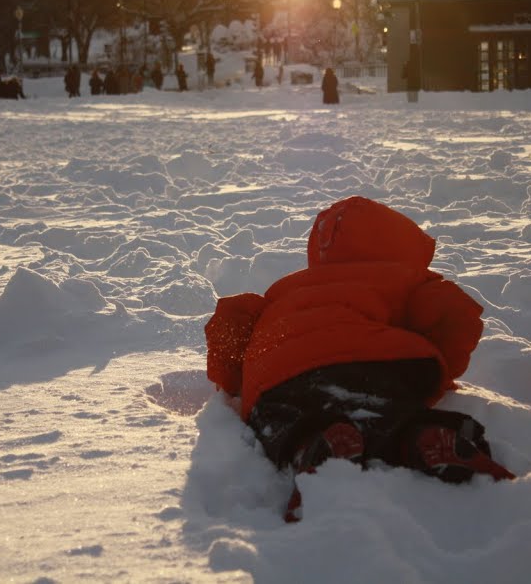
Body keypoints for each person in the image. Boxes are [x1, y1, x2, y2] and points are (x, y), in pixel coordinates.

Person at [205, 196, 513, 523]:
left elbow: (232, 318)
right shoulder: (403, 279)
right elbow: (455, 314)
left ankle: (312, 444)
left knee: (284, 421)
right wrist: (439, 367)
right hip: (377, 362)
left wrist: (233, 377)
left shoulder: (285, 290)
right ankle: (421, 435)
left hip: (284, 375)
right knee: (388, 408)